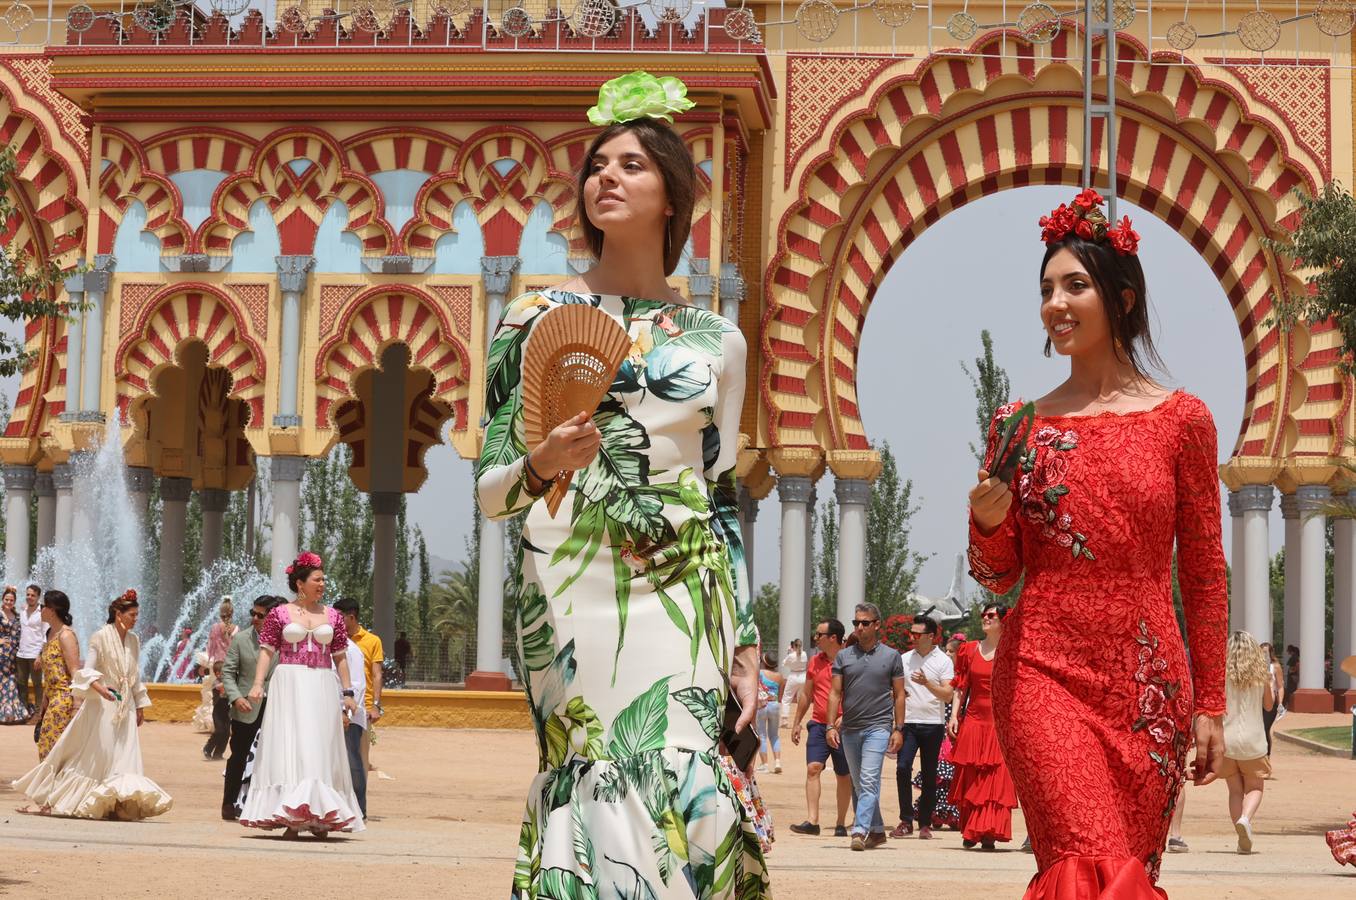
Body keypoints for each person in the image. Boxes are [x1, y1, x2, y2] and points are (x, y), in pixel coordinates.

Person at [475, 71, 767, 897]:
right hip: (570, 587)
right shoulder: (530, 317)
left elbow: (721, 500)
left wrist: (745, 640)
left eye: (632, 164)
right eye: (598, 164)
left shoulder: (718, 340)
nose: (608, 175)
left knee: (681, 763)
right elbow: (492, 491)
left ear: (672, 195)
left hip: (683, 586)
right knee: (599, 762)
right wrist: (545, 462)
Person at [967, 190, 1227, 895]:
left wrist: (1210, 704)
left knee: (1128, 872)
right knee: (1085, 866)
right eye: (1046, 288)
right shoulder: (1018, 427)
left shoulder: (1183, 421)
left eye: (1074, 285)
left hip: (1148, 686)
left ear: (1124, 298)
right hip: (1041, 672)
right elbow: (998, 575)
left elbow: (1204, 573)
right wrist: (988, 525)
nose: (1055, 303)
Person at [14, 589, 172, 819]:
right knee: (104, 753)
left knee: (125, 754)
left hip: (124, 706)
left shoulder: (134, 640)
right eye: (132, 614)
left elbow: (134, 675)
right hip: (103, 705)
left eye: (137, 614)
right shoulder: (100, 636)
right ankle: (94, 799)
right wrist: (100, 688)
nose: (135, 619)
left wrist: (140, 704)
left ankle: (118, 803)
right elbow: (85, 670)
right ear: (119, 614)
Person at [240, 552, 364, 836]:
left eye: (323, 579)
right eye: (317, 579)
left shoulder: (332, 615)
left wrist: (347, 692)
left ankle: (320, 816)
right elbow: (267, 651)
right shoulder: (279, 614)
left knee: (318, 746)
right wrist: (258, 683)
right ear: (300, 583)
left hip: (321, 683)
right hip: (289, 683)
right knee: (291, 746)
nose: (322, 584)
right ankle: (291, 816)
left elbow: (341, 657)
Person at [825, 602, 905, 851]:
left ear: (877, 625)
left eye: (865, 623)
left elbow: (900, 695)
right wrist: (830, 726)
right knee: (860, 783)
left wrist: (898, 728)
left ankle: (859, 830)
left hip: (878, 727)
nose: (859, 627)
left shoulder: (891, 656)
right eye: (856, 623)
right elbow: (834, 693)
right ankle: (878, 831)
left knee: (869, 781)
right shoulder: (843, 656)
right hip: (850, 729)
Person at [947, 602, 1018, 850]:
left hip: (1000, 722)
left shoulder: (1012, 652)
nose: (985, 619)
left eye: (991, 615)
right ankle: (970, 830)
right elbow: (960, 687)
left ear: (1003, 621)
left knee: (995, 779)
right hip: (974, 720)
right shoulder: (968, 650)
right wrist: (954, 716)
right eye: (983, 615)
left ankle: (988, 832)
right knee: (973, 776)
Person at [891, 615, 954, 840]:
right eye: (911, 633)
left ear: (930, 636)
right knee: (902, 768)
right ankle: (906, 819)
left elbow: (948, 695)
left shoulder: (944, 661)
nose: (912, 638)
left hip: (933, 724)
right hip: (907, 723)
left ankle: (925, 822)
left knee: (929, 775)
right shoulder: (904, 659)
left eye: (917, 635)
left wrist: (927, 683)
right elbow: (894, 689)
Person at [789, 618, 853, 837]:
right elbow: (806, 694)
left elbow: (860, 694)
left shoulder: (851, 660)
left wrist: (847, 717)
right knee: (813, 768)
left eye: (819, 635)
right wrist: (797, 722)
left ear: (833, 638)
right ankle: (812, 821)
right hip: (818, 723)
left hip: (844, 726)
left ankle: (841, 823)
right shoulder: (815, 661)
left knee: (843, 774)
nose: (815, 638)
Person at [221, 595, 279, 820]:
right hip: (246, 708)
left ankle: (265, 805)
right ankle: (229, 802)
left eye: (260, 615)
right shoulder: (241, 639)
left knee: (272, 757)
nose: (254, 618)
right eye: (252, 614)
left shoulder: (285, 641)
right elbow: (228, 672)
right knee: (239, 755)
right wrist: (236, 698)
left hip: (276, 707)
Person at [1221, 631, 1274, 854]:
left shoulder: (1221, 676)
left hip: (1226, 741)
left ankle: (1240, 833)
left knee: (1235, 790)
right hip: (1253, 741)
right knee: (1255, 787)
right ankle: (1245, 818)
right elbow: (1269, 706)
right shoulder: (1260, 677)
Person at [332, 597, 383, 773]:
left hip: (363, 708)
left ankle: (358, 799)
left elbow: (376, 674)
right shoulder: (332, 639)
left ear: (351, 617)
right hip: (337, 707)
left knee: (359, 760)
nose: (334, 621)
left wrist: (375, 705)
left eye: (339, 617)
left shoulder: (372, 641)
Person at [28, 590, 78, 759]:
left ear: (52, 610)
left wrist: (76, 705)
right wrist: (44, 699)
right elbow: (50, 673)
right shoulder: (50, 633)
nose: (39, 609)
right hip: (51, 698)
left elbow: (75, 672)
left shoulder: (66, 635)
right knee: (45, 745)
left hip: (63, 699)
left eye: (42, 606)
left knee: (52, 748)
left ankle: (54, 784)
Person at [342, 625, 369, 819]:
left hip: (349, 717)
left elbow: (357, 685)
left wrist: (346, 714)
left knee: (352, 761)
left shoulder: (351, 650)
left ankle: (359, 808)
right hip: (333, 714)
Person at [0, 586, 29, 723]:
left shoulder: (17, 615)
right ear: (2, 599)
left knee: (11, 681)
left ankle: (10, 713)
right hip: (1, 653)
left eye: (11, 600)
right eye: (7, 599)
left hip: (13, 654)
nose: (9, 602)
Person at [16, 583, 45, 720]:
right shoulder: (22, 610)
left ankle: (39, 713)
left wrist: (40, 655)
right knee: (21, 683)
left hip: (35, 654)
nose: (30, 597)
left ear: (38, 596)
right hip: (21, 653)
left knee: (37, 684)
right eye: (28, 594)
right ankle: (24, 711)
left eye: (33, 595)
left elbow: (45, 634)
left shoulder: (43, 612)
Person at [756, 650, 784, 774]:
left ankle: (764, 764)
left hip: (762, 705)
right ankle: (777, 761)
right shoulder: (780, 676)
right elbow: (780, 695)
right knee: (774, 735)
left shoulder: (759, 673)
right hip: (774, 705)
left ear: (764, 661)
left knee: (762, 735)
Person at [1259, 641, 1285, 758]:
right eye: (1261, 652)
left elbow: (1280, 686)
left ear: (1270, 653)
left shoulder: (1275, 667)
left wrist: (1280, 703)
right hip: (1258, 703)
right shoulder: (1255, 666)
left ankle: (1266, 756)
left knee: (1264, 728)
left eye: (1265, 652)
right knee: (1257, 730)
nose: (1263, 655)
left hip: (1271, 703)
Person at [202, 659, 230, 760]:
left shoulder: (227, 683)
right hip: (218, 712)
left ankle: (218, 753)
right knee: (219, 731)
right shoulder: (216, 683)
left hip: (226, 712)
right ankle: (208, 748)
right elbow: (219, 687)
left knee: (226, 733)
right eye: (225, 673)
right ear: (217, 674)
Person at [780, 638, 807, 727]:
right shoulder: (804, 654)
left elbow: (784, 663)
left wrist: (789, 653)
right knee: (801, 699)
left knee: (787, 698)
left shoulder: (791, 655)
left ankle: (784, 720)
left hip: (793, 676)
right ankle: (799, 721)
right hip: (803, 676)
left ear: (794, 646)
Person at [206, 597, 238, 664]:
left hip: (217, 664)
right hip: (230, 664)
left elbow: (211, 647)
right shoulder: (236, 628)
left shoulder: (215, 627)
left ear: (220, 613)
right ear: (232, 613)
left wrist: (209, 660)